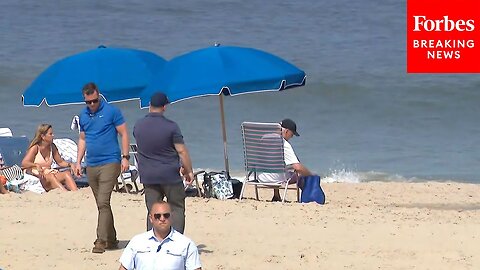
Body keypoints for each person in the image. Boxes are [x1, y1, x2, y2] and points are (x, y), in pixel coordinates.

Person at [73, 82, 130, 254]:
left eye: (94, 101)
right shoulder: (83, 116)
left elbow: (124, 133)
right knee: (101, 205)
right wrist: (78, 162)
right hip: (91, 164)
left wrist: (125, 157)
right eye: (88, 102)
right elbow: (82, 139)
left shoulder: (112, 112)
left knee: (103, 201)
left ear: (99, 96)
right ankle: (112, 239)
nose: (91, 105)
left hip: (110, 161)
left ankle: (100, 240)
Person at [133, 92, 194, 234]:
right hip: (169, 174)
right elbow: (182, 151)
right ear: (164, 107)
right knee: (176, 207)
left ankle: (153, 240)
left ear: (149, 105)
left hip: (148, 175)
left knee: (153, 210)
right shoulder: (171, 127)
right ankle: (176, 239)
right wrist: (188, 170)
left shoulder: (139, 126)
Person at [118, 201, 202, 270]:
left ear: (171, 216)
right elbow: (124, 268)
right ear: (151, 218)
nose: (162, 219)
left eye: (166, 215)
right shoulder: (137, 241)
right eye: (157, 216)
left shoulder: (186, 244)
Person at [258, 118, 312, 202]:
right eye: (292, 134)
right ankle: (308, 197)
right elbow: (297, 167)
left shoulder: (264, 138)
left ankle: (276, 196)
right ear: (286, 131)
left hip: (261, 177)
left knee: (276, 167)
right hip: (276, 180)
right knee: (300, 174)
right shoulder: (284, 144)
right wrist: (310, 174)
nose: (292, 136)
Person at [21, 124, 78, 192]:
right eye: (50, 134)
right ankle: (65, 193)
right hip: (36, 175)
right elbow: (24, 163)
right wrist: (36, 165)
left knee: (66, 174)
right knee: (51, 176)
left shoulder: (52, 147)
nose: (53, 135)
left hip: (48, 174)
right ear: (43, 136)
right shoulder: (35, 148)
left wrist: (70, 164)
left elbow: (60, 162)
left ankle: (75, 192)